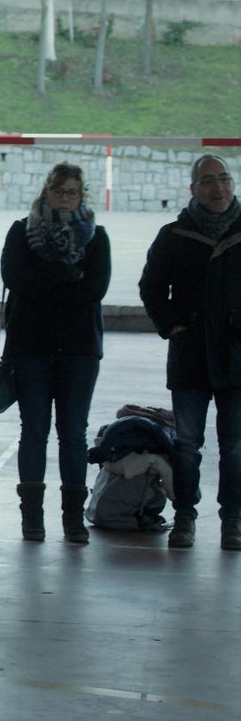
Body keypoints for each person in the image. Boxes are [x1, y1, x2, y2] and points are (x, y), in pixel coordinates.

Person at [1, 162, 110, 544]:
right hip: (29, 347)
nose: (65, 199)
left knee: (73, 434)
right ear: (46, 192)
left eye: (72, 193)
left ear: (82, 196)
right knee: (33, 431)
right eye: (59, 191)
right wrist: (67, 279)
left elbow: (95, 289)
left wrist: (48, 282)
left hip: (80, 351)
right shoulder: (20, 232)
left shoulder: (97, 239)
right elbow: (14, 278)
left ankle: (72, 519)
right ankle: (32, 519)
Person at [140, 154, 241, 551]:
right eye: (208, 181)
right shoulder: (175, 235)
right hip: (190, 356)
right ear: (193, 190)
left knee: (234, 445)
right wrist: (172, 326)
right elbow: (151, 287)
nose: (218, 187)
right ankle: (184, 517)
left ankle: (233, 520)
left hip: (236, 358)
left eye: (224, 178)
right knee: (187, 444)